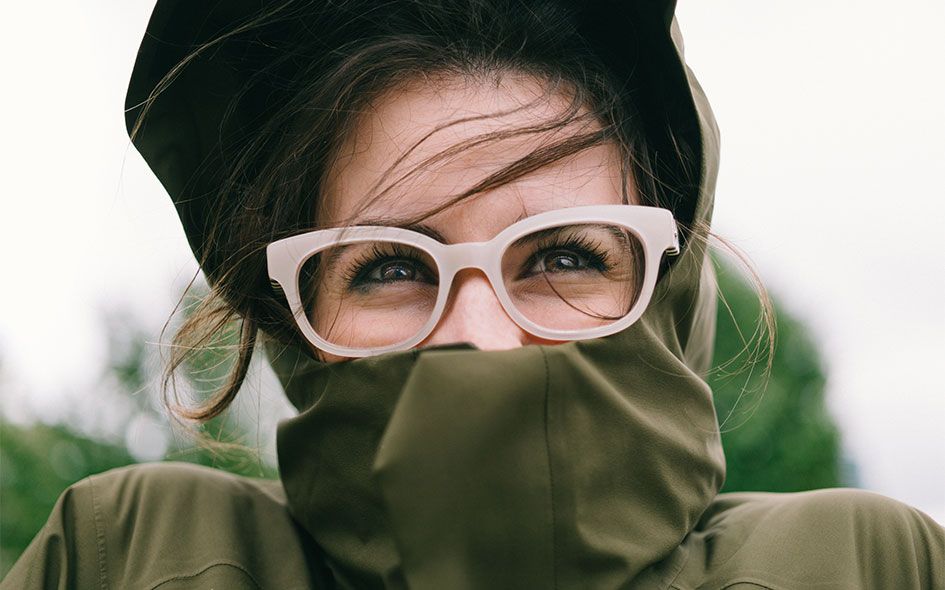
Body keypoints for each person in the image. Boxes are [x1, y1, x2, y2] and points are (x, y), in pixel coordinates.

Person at [3, 1, 942, 588]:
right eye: (390, 266)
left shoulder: (865, 568)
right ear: (297, 321)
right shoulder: (128, 558)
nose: (481, 338)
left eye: (564, 258)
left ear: (663, 286)